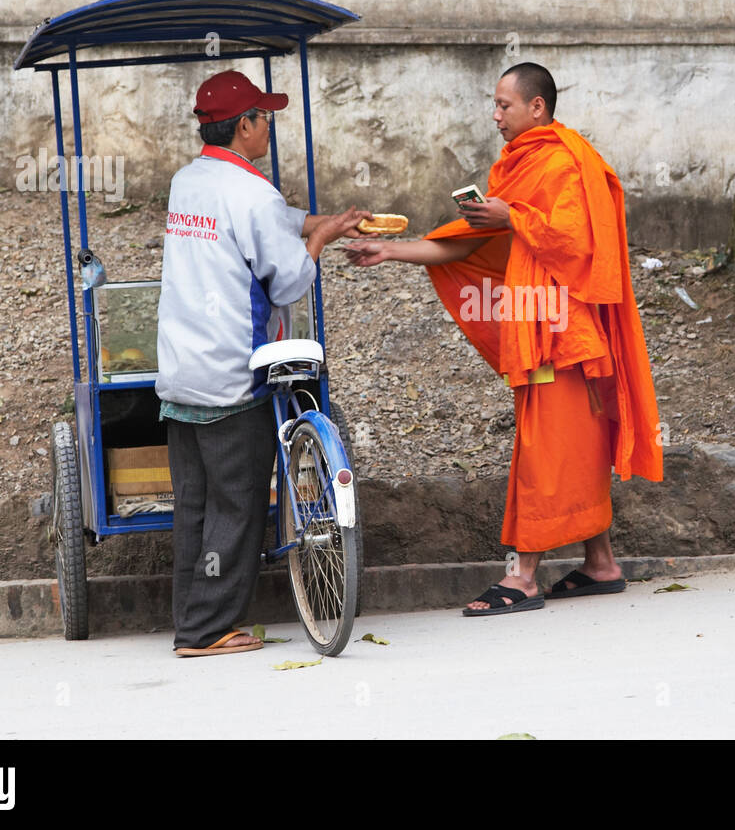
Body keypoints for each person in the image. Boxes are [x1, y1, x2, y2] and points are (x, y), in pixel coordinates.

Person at [345, 62, 663, 615]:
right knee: (573, 443)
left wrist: (513, 217)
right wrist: (391, 250)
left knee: (543, 446)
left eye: (504, 105)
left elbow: (580, 246)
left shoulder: (565, 162)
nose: (495, 116)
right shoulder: (515, 168)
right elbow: (462, 246)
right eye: (494, 106)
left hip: (562, 333)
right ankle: (602, 563)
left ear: (536, 107)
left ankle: (522, 577)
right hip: (535, 322)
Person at [156, 69, 370, 655]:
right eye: (264, 117)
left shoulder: (188, 182)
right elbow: (289, 279)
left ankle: (191, 624)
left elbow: (252, 221)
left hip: (180, 372)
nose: (269, 126)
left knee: (194, 507)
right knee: (238, 503)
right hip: (232, 373)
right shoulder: (254, 192)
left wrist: (313, 221)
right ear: (244, 125)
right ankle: (207, 631)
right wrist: (320, 241)